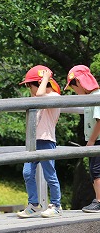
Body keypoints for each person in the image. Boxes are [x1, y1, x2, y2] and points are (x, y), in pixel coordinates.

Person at [17, 65, 63, 218]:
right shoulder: (36, 98)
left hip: (46, 140)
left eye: (30, 85)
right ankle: (34, 204)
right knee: (27, 172)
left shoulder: (54, 97)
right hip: (33, 141)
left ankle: (56, 205)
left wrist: (45, 78)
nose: (29, 89)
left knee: (50, 174)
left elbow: (42, 93)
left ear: (38, 84)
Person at [64, 65, 100, 213]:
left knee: (96, 171)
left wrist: (91, 141)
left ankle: (98, 201)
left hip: (98, 140)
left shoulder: (95, 96)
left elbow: (99, 120)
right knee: (95, 171)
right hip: (95, 140)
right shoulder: (91, 97)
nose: (75, 93)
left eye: (74, 89)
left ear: (78, 82)